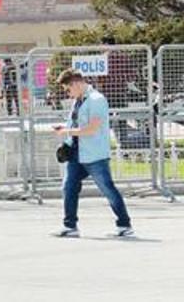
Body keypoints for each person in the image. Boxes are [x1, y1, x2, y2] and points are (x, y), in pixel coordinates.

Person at [53, 69, 134, 238]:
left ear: (75, 83)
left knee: (108, 189)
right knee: (69, 187)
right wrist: (66, 135)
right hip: (76, 154)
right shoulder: (78, 101)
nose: (68, 94)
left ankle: (124, 225)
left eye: (68, 89)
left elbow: (92, 128)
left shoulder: (97, 100)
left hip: (94, 155)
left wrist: (67, 131)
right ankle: (70, 226)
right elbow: (76, 123)